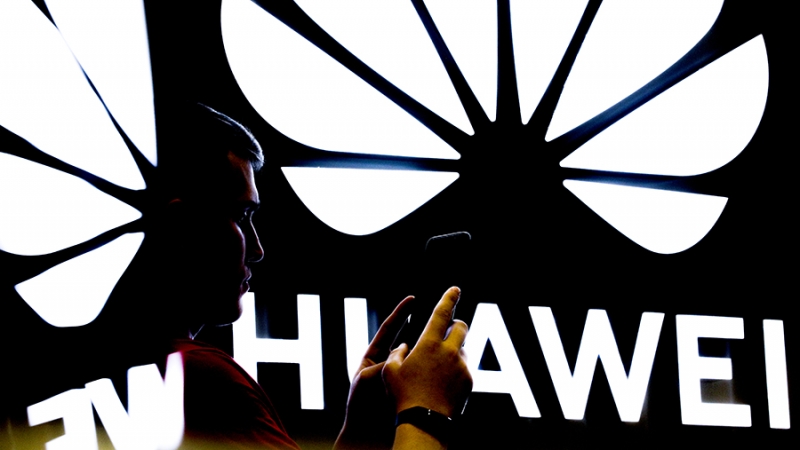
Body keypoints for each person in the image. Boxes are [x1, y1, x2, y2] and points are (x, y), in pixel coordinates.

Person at [108, 104, 473, 449]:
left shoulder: (129, 370)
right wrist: (427, 410)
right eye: (242, 216)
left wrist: (361, 429)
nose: (257, 249)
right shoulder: (197, 375)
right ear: (181, 226)